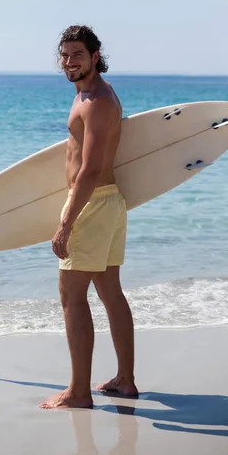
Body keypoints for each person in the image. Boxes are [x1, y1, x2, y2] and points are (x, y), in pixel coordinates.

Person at [40, 25, 138, 410]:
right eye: (64, 55)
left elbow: (92, 168)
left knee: (71, 296)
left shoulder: (96, 100)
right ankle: (125, 381)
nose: (69, 61)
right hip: (109, 203)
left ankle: (79, 393)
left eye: (77, 54)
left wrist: (66, 222)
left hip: (91, 204)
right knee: (110, 292)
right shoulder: (90, 94)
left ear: (95, 56)